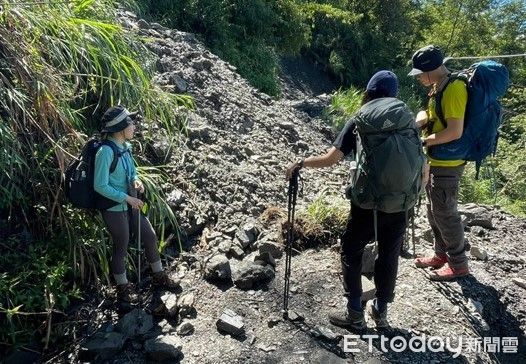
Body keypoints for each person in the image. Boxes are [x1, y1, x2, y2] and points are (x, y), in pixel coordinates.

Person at [286, 71, 424, 330]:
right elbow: (422, 164)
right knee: (389, 255)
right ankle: (381, 313)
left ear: (368, 92)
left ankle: (354, 314)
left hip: (368, 203)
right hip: (402, 202)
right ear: (394, 94)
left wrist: (301, 163)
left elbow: (331, 159)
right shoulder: (407, 120)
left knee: (351, 251)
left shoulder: (360, 119)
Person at [94, 105, 179, 304]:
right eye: (130, 123)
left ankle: (159, 276)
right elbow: (100, 185)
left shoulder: (126, 148)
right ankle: (123, 291)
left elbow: (131, 173)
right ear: (120, 128)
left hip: (131, 204)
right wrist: (127, 198)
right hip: (114, 208)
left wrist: (136, 181)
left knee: (149, 236)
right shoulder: (105, 152)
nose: (134, 126)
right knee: (121, 247)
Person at [408, 45, 470, 281]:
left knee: (445, 212)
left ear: (431, 70)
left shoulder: (454, 88)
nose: (419, 78)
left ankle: (458, 264)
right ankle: (440, 254)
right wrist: (423, 118)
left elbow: (454, 131)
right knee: (433, 210)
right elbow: (437, 118)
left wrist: (423, 141)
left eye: (420, 73)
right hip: (437, 159)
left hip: (449, 161)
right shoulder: (438, 87)